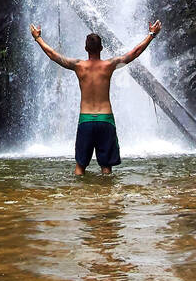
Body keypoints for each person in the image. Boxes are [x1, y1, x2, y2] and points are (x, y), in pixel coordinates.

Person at [29, 20, 161, 175]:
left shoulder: (78, 66)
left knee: (80, 167)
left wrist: (38, 38)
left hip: (86, 120)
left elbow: (53, 55)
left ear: (86, 49)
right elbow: (134, 53)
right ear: (102, 48)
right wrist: (151, 35)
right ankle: (106, 197)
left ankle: (80, 197)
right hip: (105, 120)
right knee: (106, 168)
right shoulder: (109, 65)